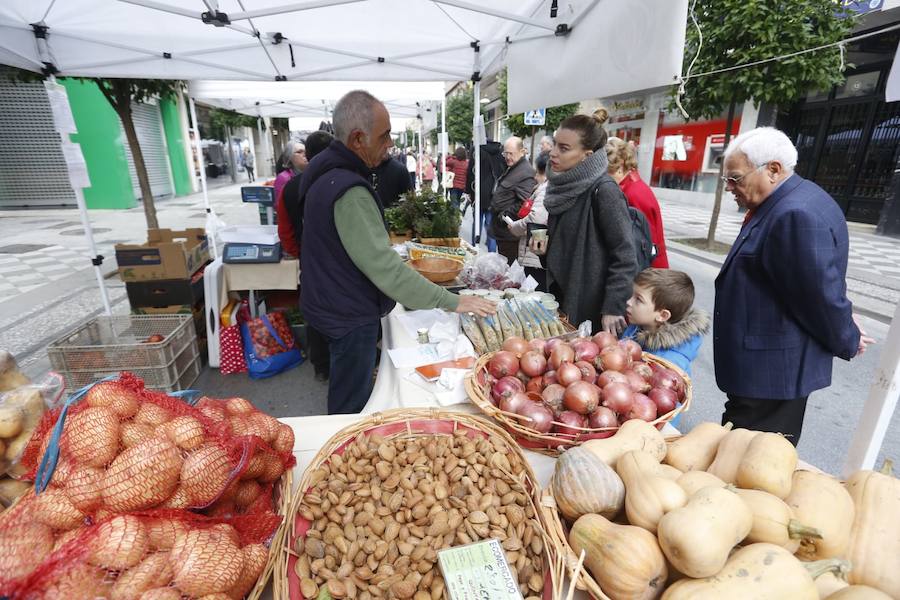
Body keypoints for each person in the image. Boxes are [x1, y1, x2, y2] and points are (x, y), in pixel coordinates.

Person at [299, 90, 496, 415]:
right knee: (350, 403)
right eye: (385, 135)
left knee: (346, 385)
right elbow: (386, 269)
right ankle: (340, 453)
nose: (390, 144)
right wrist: (454, 301)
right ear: (358, 139)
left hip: (328, 301)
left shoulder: (324, 173)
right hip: (347, 312)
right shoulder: (350, 191)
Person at [714, 126, 874, 445]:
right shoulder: (788, 201)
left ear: (773, 170)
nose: (730, 187)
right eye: (727, 180)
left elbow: (817, 297)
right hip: (763, 371)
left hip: (770, 376)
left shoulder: (795, 214)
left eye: (736, 178)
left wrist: (847, 336)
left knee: (749, 464)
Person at [529, 109, 637, 334]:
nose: (553, 153)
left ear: (587, 155)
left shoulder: (604, 190)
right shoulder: (562, 187)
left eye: (564, 148)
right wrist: (546, 248)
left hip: (592, 308)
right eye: (555, 144)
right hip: (561, 298)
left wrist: (613, 306)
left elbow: (626, 254)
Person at [277, 130, 335, 381]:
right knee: (341, 309)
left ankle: (321, 365)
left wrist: (299, 252)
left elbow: (285, 229)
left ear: (308, 155)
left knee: (315, 311)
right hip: (338, 260)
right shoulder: (338, 182)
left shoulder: (290, 187)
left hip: (309, 260)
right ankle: (340, 363)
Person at [622, 268, 709, 376]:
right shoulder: (636, 328)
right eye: (632, 295)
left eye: (638, 299)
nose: (628, 302)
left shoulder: (669, 363)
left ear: (662, 315)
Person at [606, 137, 669, 268]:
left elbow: (642, 245)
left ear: (620, 167)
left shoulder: (633, 193)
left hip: (649, 272)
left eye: (607, 173)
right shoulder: (632, 187)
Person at [491, 137, 536, 264]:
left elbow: (525, 203)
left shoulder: (526, 172)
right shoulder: (513, 167)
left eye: (511, 153)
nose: (507, 157)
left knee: (509, 269)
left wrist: (504, 215)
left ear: (522, 152)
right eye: (505, 153)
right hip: (503, 232)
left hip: (510, 233)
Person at [507, 151, 548, 290]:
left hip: (535, 255)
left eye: (539, 173)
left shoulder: (545, 190)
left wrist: (515, 227)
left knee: (535, 294)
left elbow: (536, 218)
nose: (536, 177)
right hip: (535, 255)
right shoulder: (543, 188)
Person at [465, 140, 506, 252]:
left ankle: (474, 249)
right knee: (490, 224)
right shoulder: (498, 151)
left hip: (478, 192)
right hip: (493, 193)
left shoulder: (477, 150)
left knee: (477, 221)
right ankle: (492, 253)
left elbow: (470, 172)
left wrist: (468, 190)